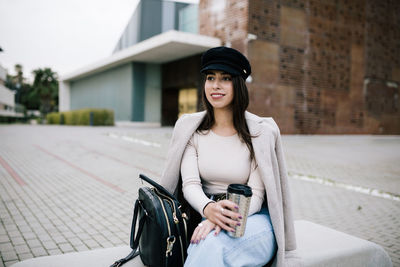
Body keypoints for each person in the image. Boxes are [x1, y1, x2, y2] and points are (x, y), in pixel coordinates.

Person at [161, 47, 299, 267]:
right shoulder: (191, 130)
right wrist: (208, 210)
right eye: (210, 78)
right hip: (205, 213)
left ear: (238, 84)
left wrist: (223, 217)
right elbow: (190, 185)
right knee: (204, 243)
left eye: (225, 78)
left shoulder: (259, 133)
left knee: (210, 244)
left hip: (253, 219)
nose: (216, 85)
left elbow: (257, 195)